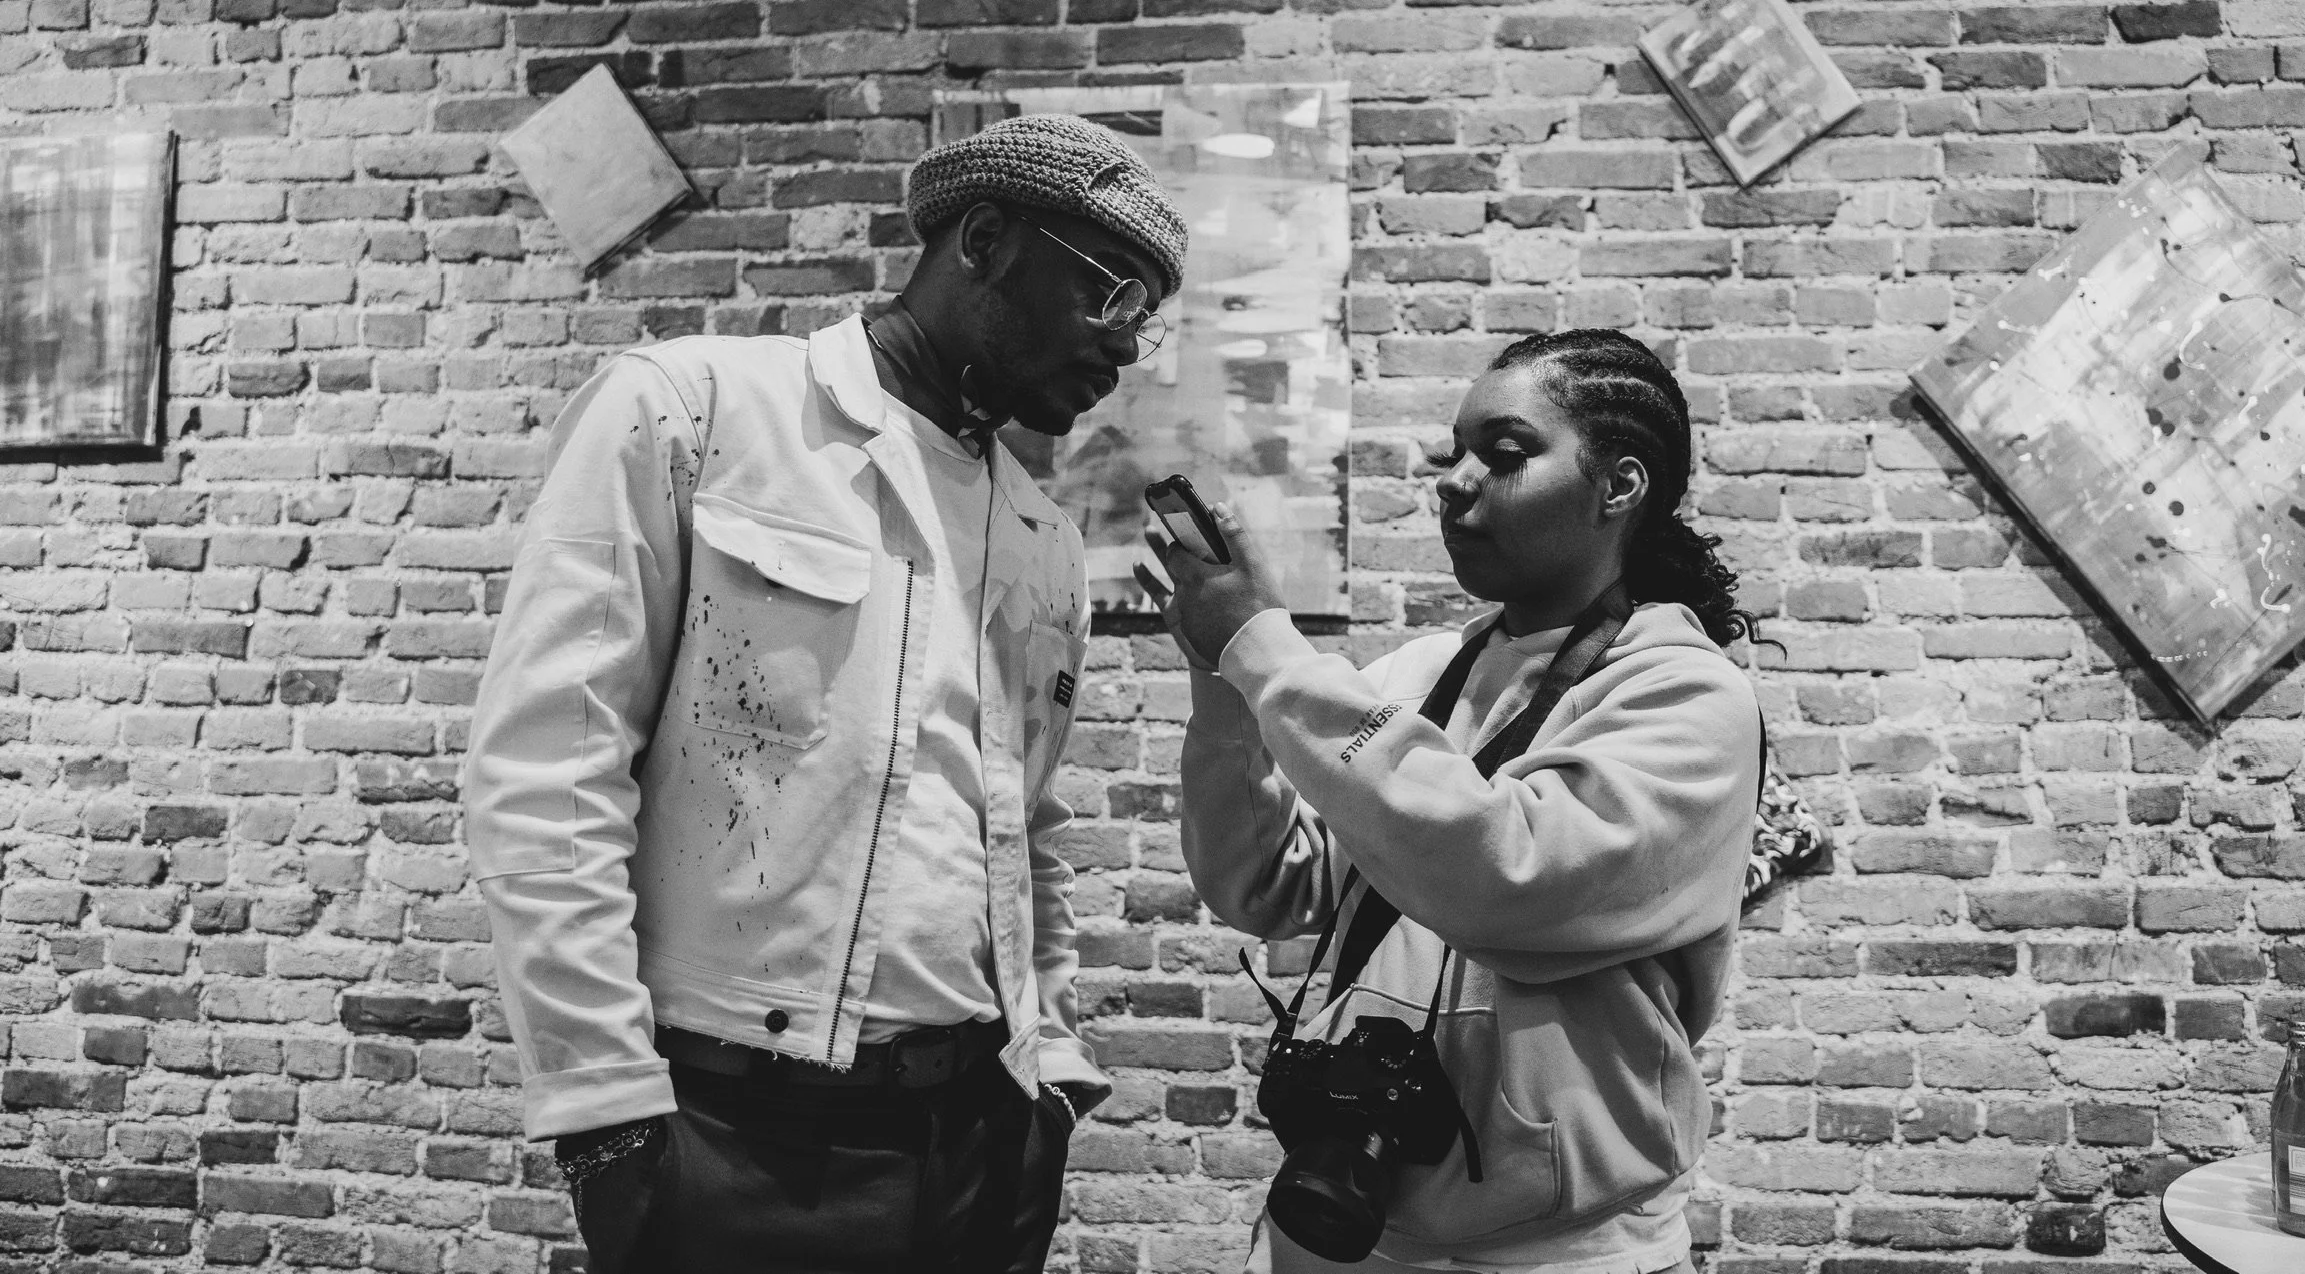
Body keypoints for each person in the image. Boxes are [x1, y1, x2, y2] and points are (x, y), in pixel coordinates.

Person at [461, 113, 1189, 1273]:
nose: (1128, 343)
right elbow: (549, 769)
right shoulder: (695, 410)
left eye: (1147, 315)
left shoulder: (1044, 539)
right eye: (1109, 293)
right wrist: (604, 1112)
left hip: (979, 1134)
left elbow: (1022, 829)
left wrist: (1050, 1073)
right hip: (732, 1132)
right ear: (987, 239)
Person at [1144, 330, 1763, 1274]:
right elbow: (1265, 884)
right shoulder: (1421, 673)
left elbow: (1505, 875)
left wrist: (1265, 651)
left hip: (1562, 1251)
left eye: (1505, 454)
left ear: (1620, 485)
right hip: (1350, 1225)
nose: (1456, 480)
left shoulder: (1684, 695)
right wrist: (1223, 681)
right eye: (1453, 452)